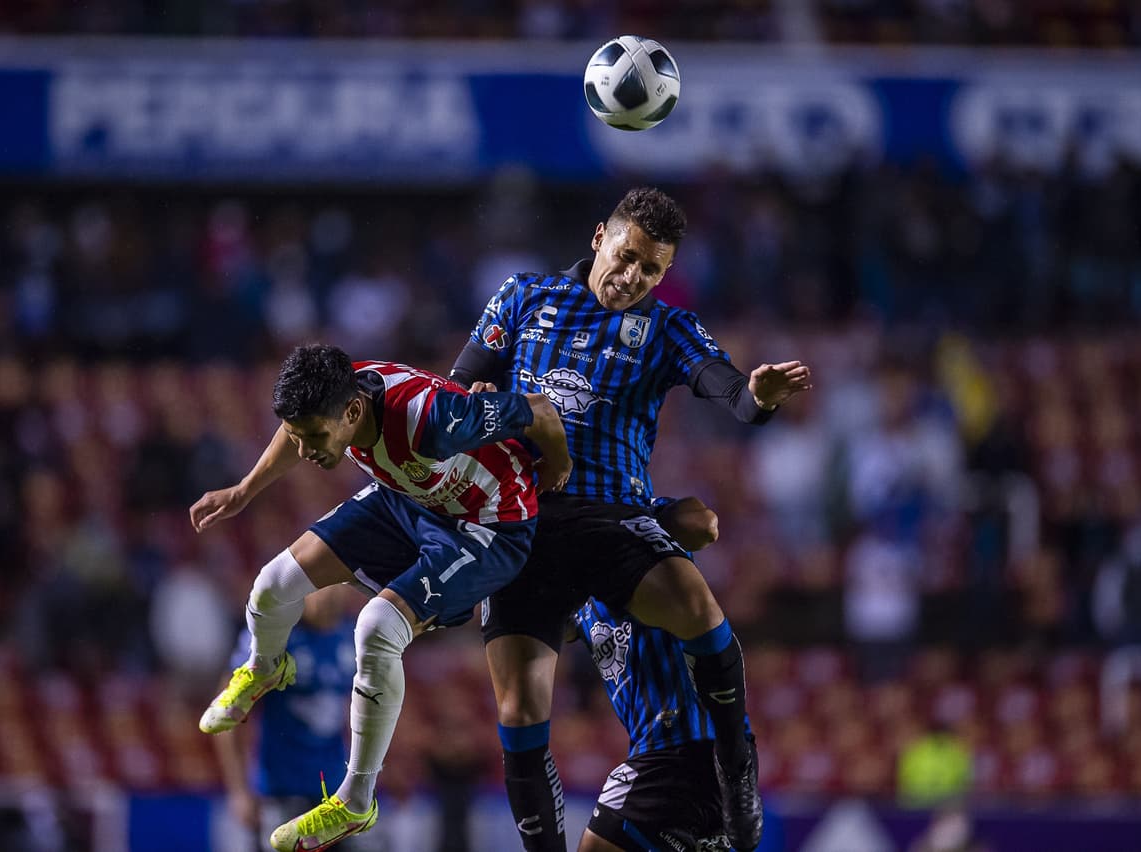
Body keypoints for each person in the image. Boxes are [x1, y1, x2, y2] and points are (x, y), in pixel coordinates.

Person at [449, 187, 811, 851]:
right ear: (598, 239)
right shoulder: (523, 296)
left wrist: (757, 398)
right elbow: (459, 388)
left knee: (697, 611)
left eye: (652, 270)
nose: (634, 277)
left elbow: (729, 389)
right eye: (628, 257)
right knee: (518, 711)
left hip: (613, 516)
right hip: (523, 525)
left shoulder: (667, 328)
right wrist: (477, 407)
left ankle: (737, 769)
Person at [191, 343, 571, 852]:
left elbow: (541, 411)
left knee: (375, 628)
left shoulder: (431, 420)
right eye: (300, 436)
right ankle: (265, 667)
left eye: (316, 438)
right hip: (411, 499)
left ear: (351, 414)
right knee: (273, 583)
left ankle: (355, 799)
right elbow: (293, 429)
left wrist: (558, 467)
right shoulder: (339, 398)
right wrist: (243, 491)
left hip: (486, 525)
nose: (306, 451)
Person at [571, 497, 741, 852]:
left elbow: (703, 523)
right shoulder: (571, 590)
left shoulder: (634, 529)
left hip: (681, 740)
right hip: (666, 750)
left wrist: (653, 514)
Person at [212, 584, 380, 851]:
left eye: (338, 586)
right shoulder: (274, 638)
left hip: (335, 797)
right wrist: (239, 789)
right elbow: (228, 711)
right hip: (280, 792)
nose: (328, 596)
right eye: (321, 587)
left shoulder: (354, 636)